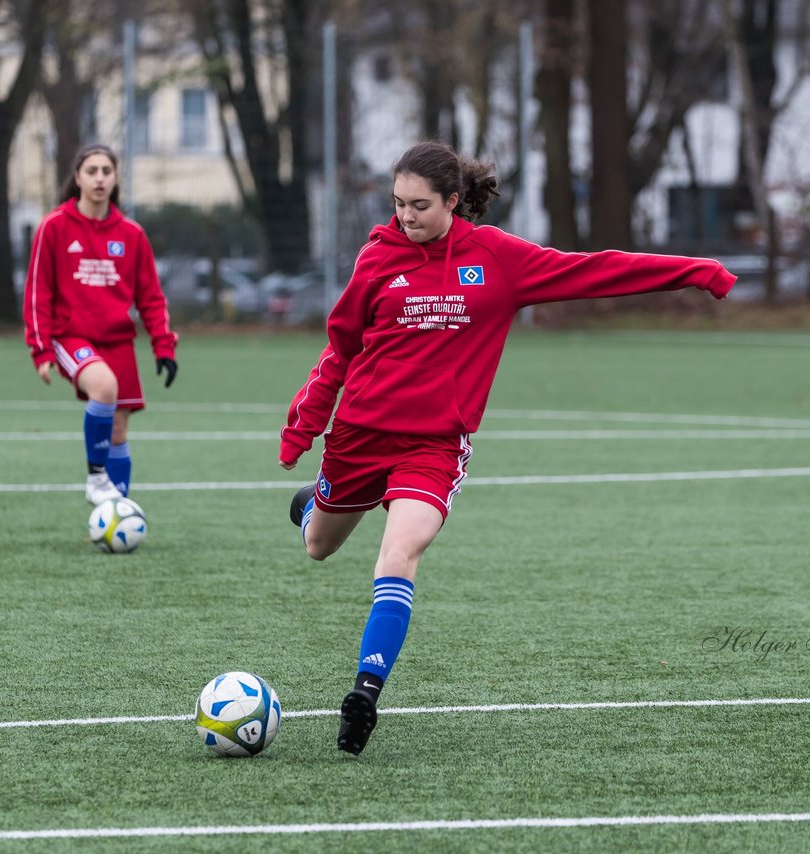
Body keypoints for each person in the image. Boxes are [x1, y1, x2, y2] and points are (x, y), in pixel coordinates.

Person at [278, 140, 737, 755]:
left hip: (434, 444)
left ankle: (366, 688)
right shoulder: (377, 259)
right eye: (397, 204)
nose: (405, 217)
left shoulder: (496, 259)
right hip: (361, 435)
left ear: (453, 202)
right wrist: (303, 425)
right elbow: (340, 348)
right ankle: (312, 507)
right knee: (318, 546)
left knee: (401, 549)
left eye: (418, 206)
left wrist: (694, 270)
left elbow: (594, 269)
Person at [23, 143, 178, 505]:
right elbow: (37, 292)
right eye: (91, 171)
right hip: (70, 336)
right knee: (104, 387)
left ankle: (115, 511)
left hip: (117, 342)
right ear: (77, 178)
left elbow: (151, 298)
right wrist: (40, 348)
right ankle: (95, 479)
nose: (99, 178)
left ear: (115, 178)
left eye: (106, 171)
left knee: (119, 432)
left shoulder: (132, 234)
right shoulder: (54, 227)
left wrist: (164, 346)